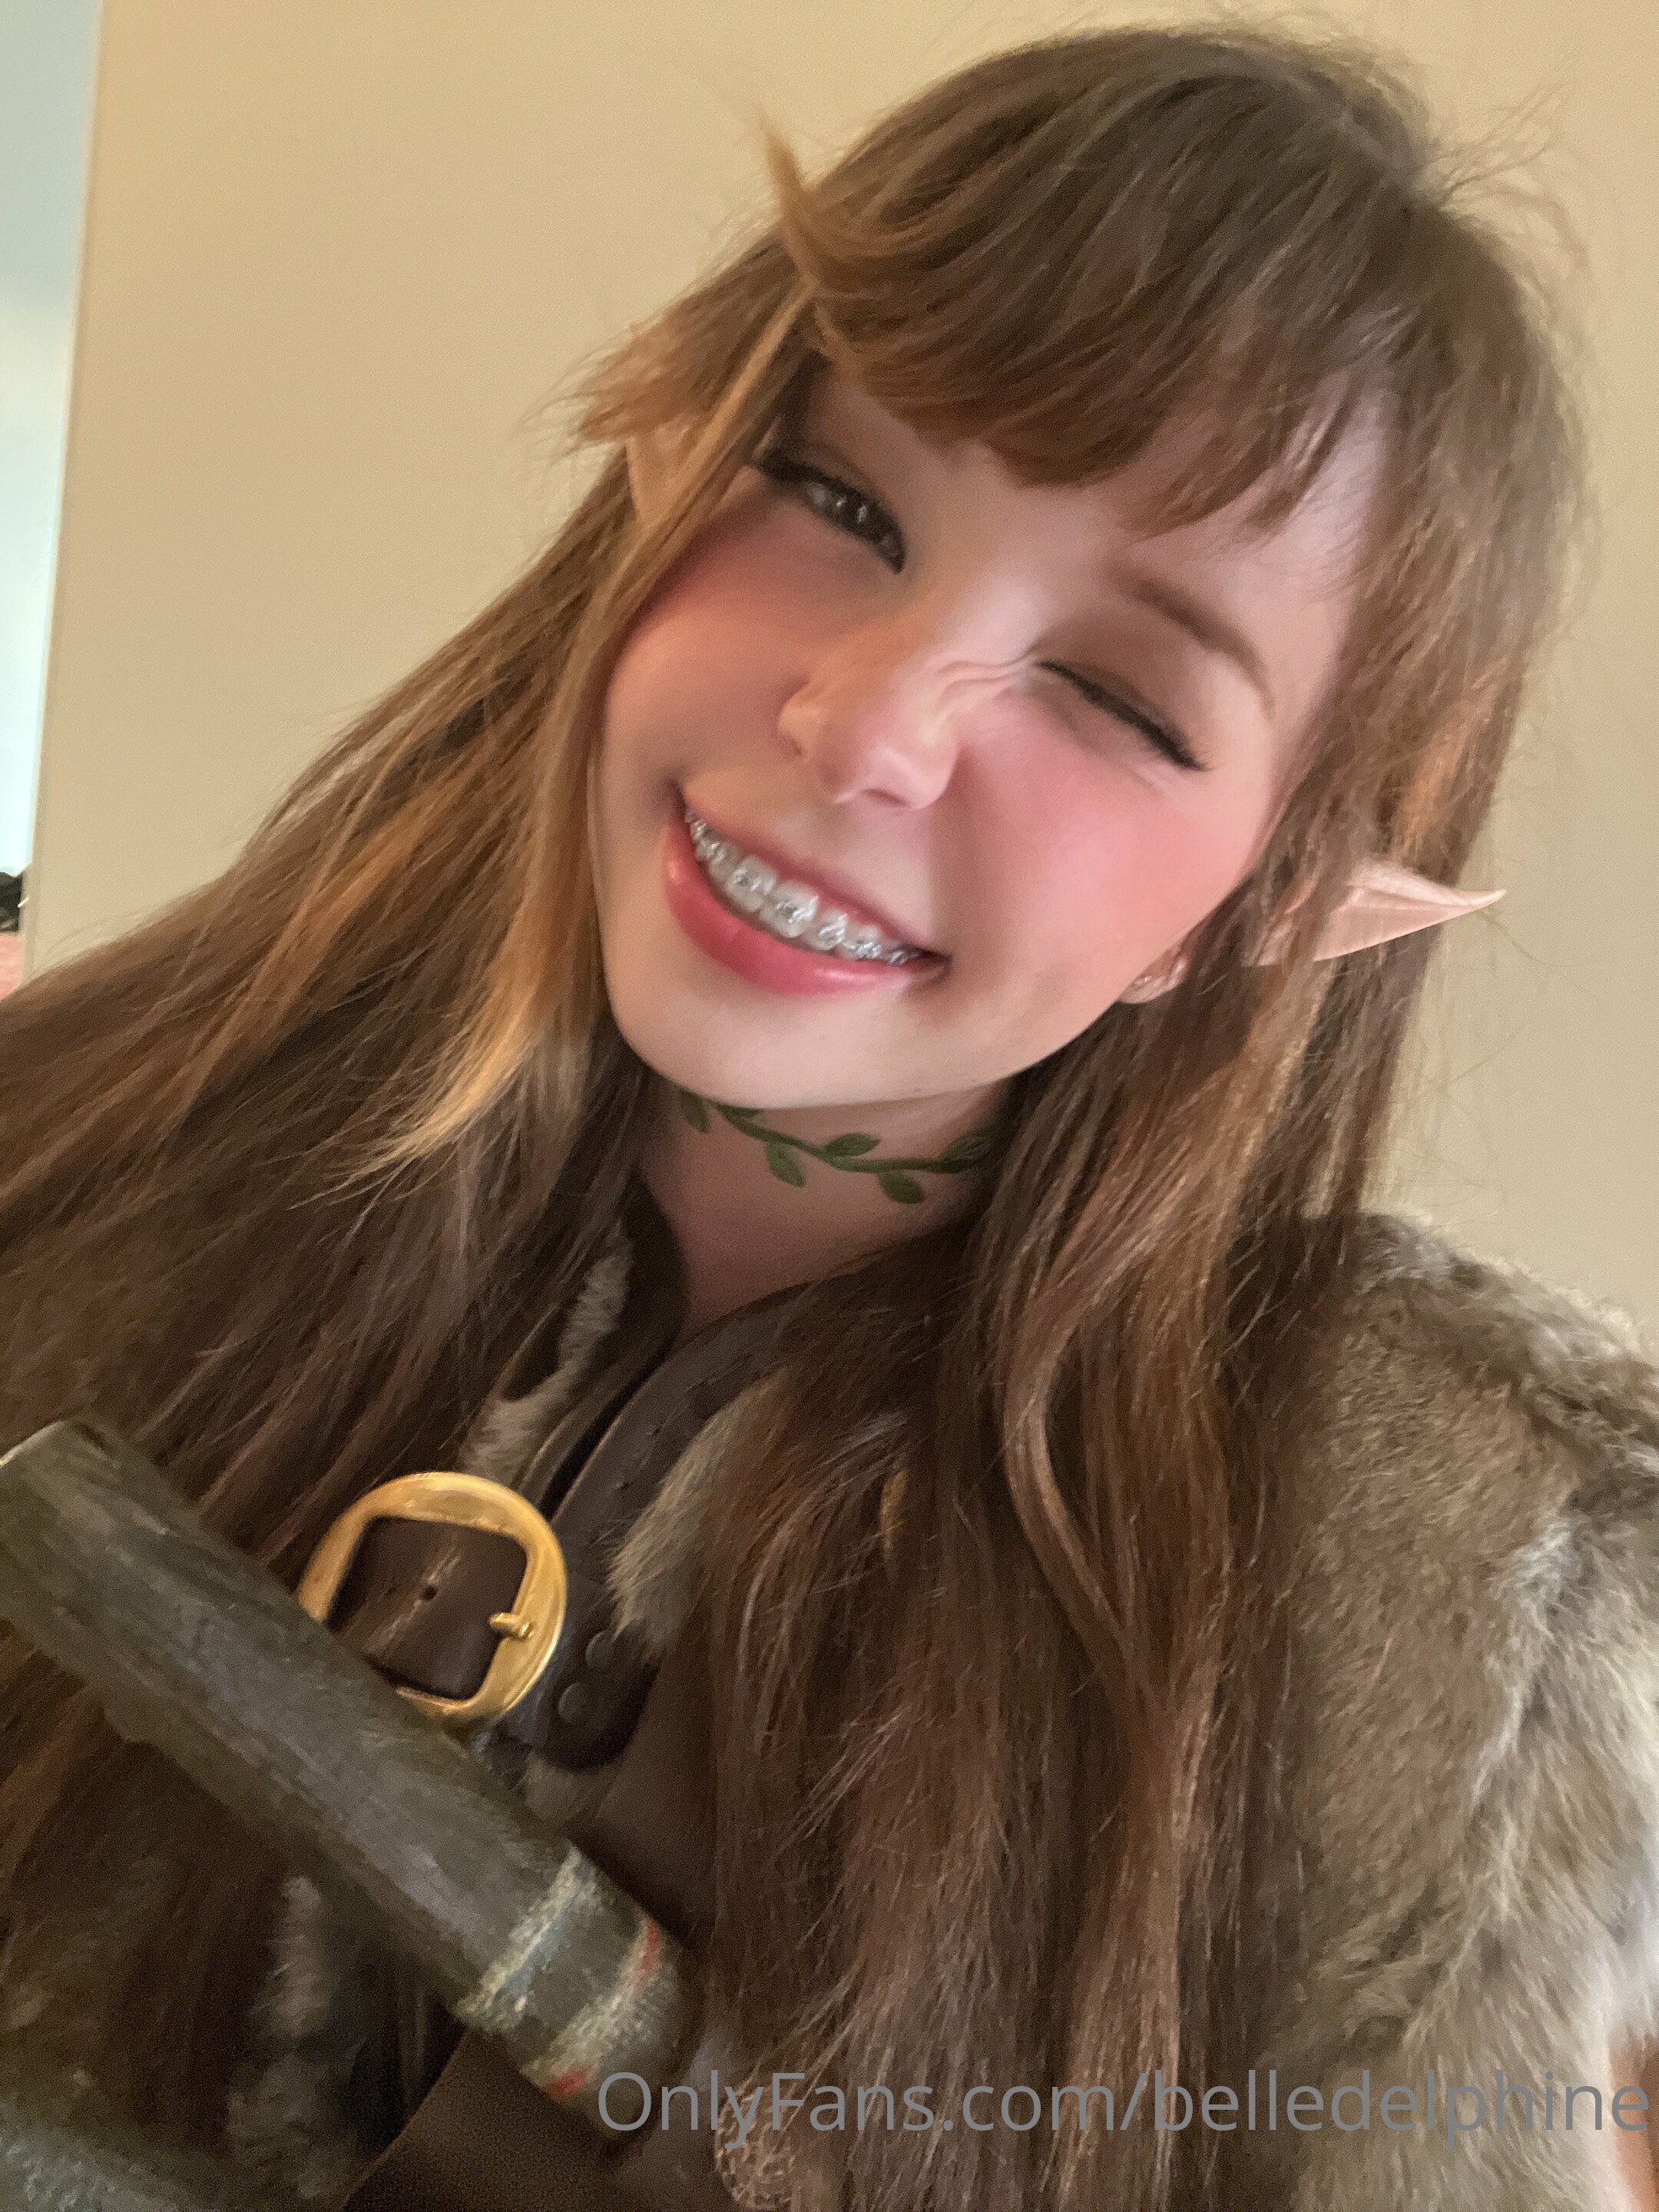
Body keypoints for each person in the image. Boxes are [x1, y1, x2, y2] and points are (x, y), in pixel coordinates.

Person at [1, 19, 1656, 2211]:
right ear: (663, 466)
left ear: (1282, 907)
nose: (867, 724)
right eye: (841, 501)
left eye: (1118, 692)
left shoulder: (1432, 1618)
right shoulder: (88, 1149)